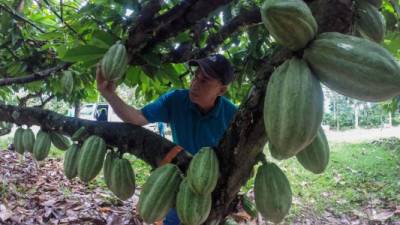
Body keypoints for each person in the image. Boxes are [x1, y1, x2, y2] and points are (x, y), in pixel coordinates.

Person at [96, 54, 237, 225]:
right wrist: (108, 93)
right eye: (195, 76)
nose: (195, 84)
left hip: (211, 187)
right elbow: (138, 118)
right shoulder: (176, 100)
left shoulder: (233, 116)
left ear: (222, 90)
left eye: (204, 81)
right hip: (180, 182)